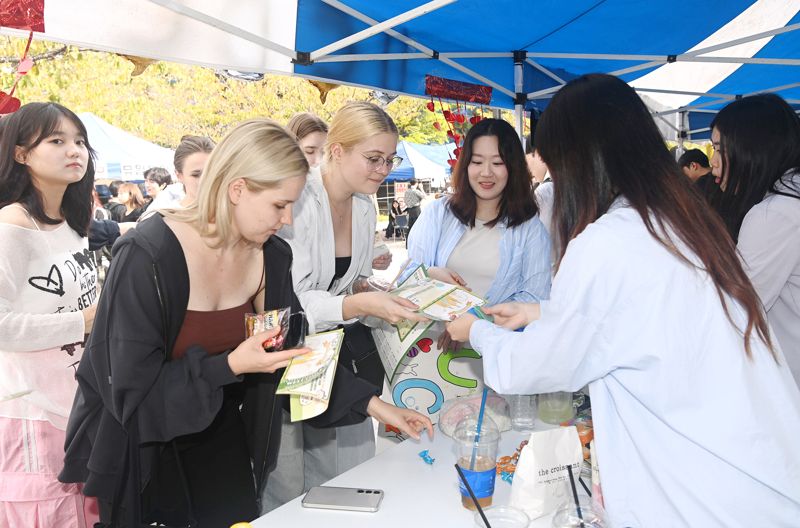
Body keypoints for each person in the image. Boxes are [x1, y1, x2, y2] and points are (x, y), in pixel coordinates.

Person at [446, 74, 800, 526]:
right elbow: (648, 320)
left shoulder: (608, 241)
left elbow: (539, 364)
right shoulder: (681, 221)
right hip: (755, 474)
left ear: (579, 162)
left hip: (700, 491)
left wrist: (475, 330)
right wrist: (541, 312)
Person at [59, 118, 432, 527]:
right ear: (237, 189)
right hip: (145, 451)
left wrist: (377, 406)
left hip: (223, 438)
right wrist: (231, 365)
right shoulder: (148, 255)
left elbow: (293, 349)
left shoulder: (270, 257)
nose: (287, 220)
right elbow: (131, 395)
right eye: (279, 205)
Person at [264, 102, 429, 512]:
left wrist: (402, 292)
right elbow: (290, 301)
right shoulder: (297, 200)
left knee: (344, 478)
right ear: (335, 151)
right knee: (286, 483)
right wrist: (356, 303)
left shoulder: (362, 204)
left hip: (332, 356)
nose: (383, 170)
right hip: (285, 353)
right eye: (373, 158)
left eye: (389, 160)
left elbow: (345, 282)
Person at [0, 102, 99, 527]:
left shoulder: (73, 223)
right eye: (56, 141)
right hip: (30, 409)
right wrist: (84, 321)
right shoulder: (12, 225)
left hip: (78, 401)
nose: (72, 149)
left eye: (78, 140)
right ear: (21, 153)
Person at [407, 117, 551, 354]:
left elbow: (535, 295)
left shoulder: (529, 228)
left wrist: (475, 323)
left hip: (493, 357)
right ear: (466, 166)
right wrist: (430, 273)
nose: (486, 173)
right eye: (477, 162)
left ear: (512, 167)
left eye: (497, 162)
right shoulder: (438, 213)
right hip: (430, 353)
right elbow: (407, 276)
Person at [709, 93, 800, 385]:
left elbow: (736, 311)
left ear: (752, 148)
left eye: (720, 149)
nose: (713, 162)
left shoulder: (773, 214)